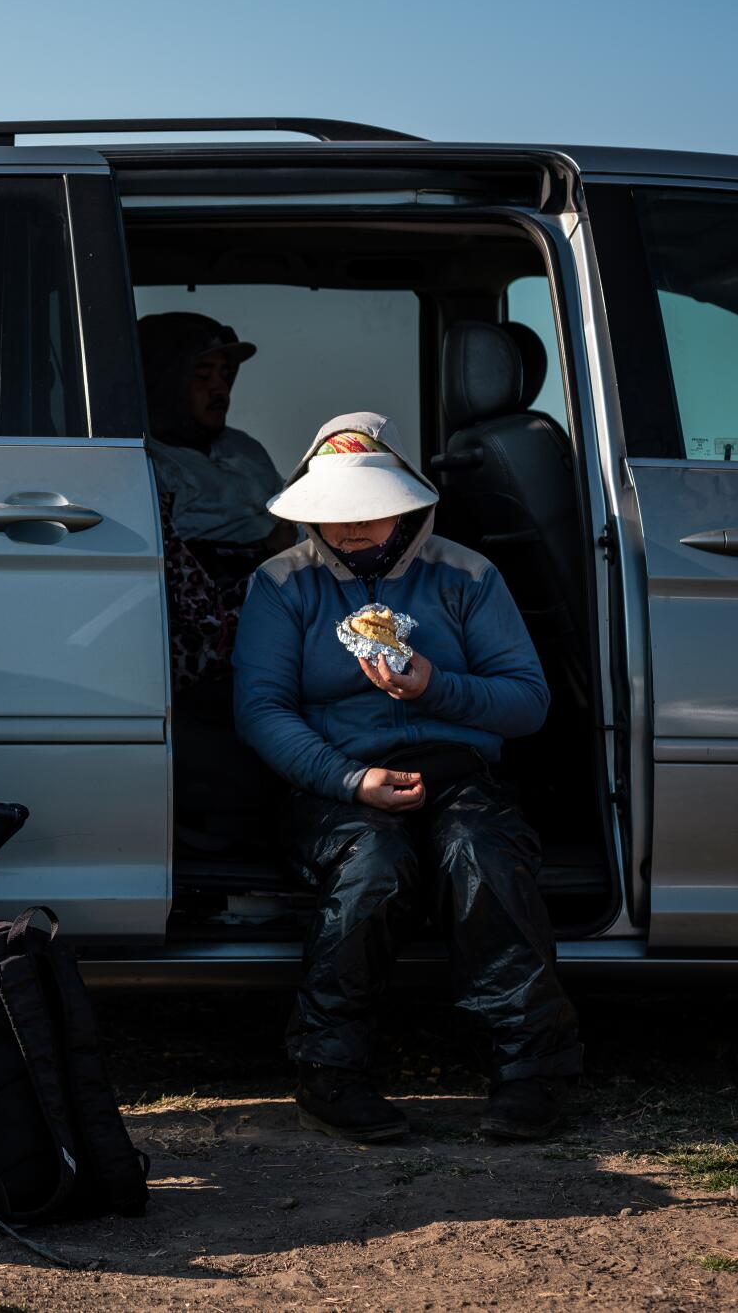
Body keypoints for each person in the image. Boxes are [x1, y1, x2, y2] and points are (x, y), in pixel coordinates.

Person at [232, 412, 582, 1143]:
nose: (349, 529)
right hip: (333, 783)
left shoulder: (466, 574)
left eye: (365, 513)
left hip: (458, 775)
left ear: (407, 505)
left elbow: (528, 701)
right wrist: (350, 778)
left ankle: (532, 1074)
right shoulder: (281, 583)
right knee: (374, 864)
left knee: (484, 856)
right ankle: (330, 1072)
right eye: (332, 516)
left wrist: (433, 686)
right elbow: (261, 710)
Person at [138, 311, 297, 584]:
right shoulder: (146, 463)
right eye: (203, 375)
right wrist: (264, 552)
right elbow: (174, 570)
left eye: (225, 375)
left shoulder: (245, 448)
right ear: (165, 381)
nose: (219, 388)